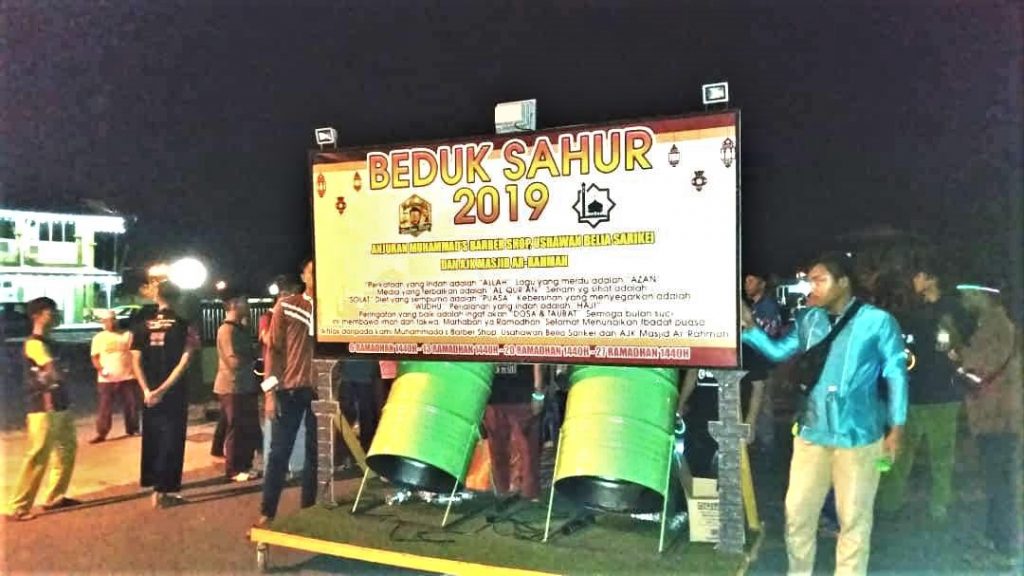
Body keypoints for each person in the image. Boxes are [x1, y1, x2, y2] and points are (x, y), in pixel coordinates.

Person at [741, 253, 908, 576]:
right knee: (797, 513)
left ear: (843, 282)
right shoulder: (809, 320)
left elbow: (896, 374)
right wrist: (749, 328)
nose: (811, 287)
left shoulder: (877, 322)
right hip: (812, 433)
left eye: (819, 280)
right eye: (809, 281)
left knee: (854, 520)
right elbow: (778, 350)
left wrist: (896, 428)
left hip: (858, 436)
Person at [877, 259, 974, 520]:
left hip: (942, 393)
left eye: (918, 275)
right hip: (916, 392)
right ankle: (889, 502)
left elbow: (963, 346)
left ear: (931, 279)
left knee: (941, 454)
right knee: (900, 452)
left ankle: (939, 505)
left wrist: (951, 338)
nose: (914, 281)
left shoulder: (953, 310)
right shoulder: (916, 311)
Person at [958, 286, 1022, 560]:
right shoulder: (993, 325)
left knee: (1000, 482)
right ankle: (996, 538)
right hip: (996, 414)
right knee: (996, 480)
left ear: (984, 296)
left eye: (969, 295)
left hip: (998, 416)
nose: (965, 300)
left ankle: (1006, 546)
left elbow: (977, 367)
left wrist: (956, 349)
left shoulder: (997, 327)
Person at [4, 297, 81, 521]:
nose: (55, 315)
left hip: (60, 403)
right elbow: (50, 369)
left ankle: (55, 496)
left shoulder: (50, 342)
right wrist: (59, 375)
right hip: (43, 406)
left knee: (67, 449)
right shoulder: (35, 344)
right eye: (51, 312)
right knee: (38, 455)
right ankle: (18, 506)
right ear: (37, 316)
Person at [256, 258, 318, 528]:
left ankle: (309, 510)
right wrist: (270, 394)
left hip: (320, 392)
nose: (318, 276)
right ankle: (267, 512)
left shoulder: (335, 310)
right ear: (304, 276)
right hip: (289, 391)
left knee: (316, 454)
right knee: (279, 452)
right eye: (313, 271)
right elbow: (273, 352)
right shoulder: (287, 305)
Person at [132, 281, 196, 509]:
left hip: (148, 393)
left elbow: (135, 361)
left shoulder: (141, 326)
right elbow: (184, 362)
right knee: (172, 439)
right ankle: (165, 490)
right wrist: (163, 390)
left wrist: (147, 390)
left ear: (156, 297)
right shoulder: (184, 326)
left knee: (153, 437)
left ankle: (154, 485)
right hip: (174, 392)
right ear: (178, 298)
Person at [215, 293, 262, 482]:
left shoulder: (240, 329)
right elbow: (233, 361)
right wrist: (253, 360)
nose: (248, 305)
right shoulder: (227, 330)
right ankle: (233, 469)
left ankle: (245, 465)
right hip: (232, 386)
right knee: (236, 429)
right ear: (233, 304)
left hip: (244, 386)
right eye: (244, 302)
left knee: (246, 428)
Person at [483, 363, 544, 500]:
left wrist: (538, 393)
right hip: (495, 398)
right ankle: (503, 492)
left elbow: (537, 361)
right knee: (499, 451)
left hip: (521, 398)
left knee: (527, 451)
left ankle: (529, 494)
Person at [89, 308, 139, 443]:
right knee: (105, 407)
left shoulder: (127, 335)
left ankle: (133, 429)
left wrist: (136, 371)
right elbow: (94, 358)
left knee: (131, 405)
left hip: (127, 376)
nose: (110, 324)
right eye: (106, 321)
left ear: (116, 321)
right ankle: (102, 433)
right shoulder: (99, 338)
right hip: (106, 379)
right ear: (103, 323)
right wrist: (101, 370)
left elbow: (134, 354)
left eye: (112, 321)